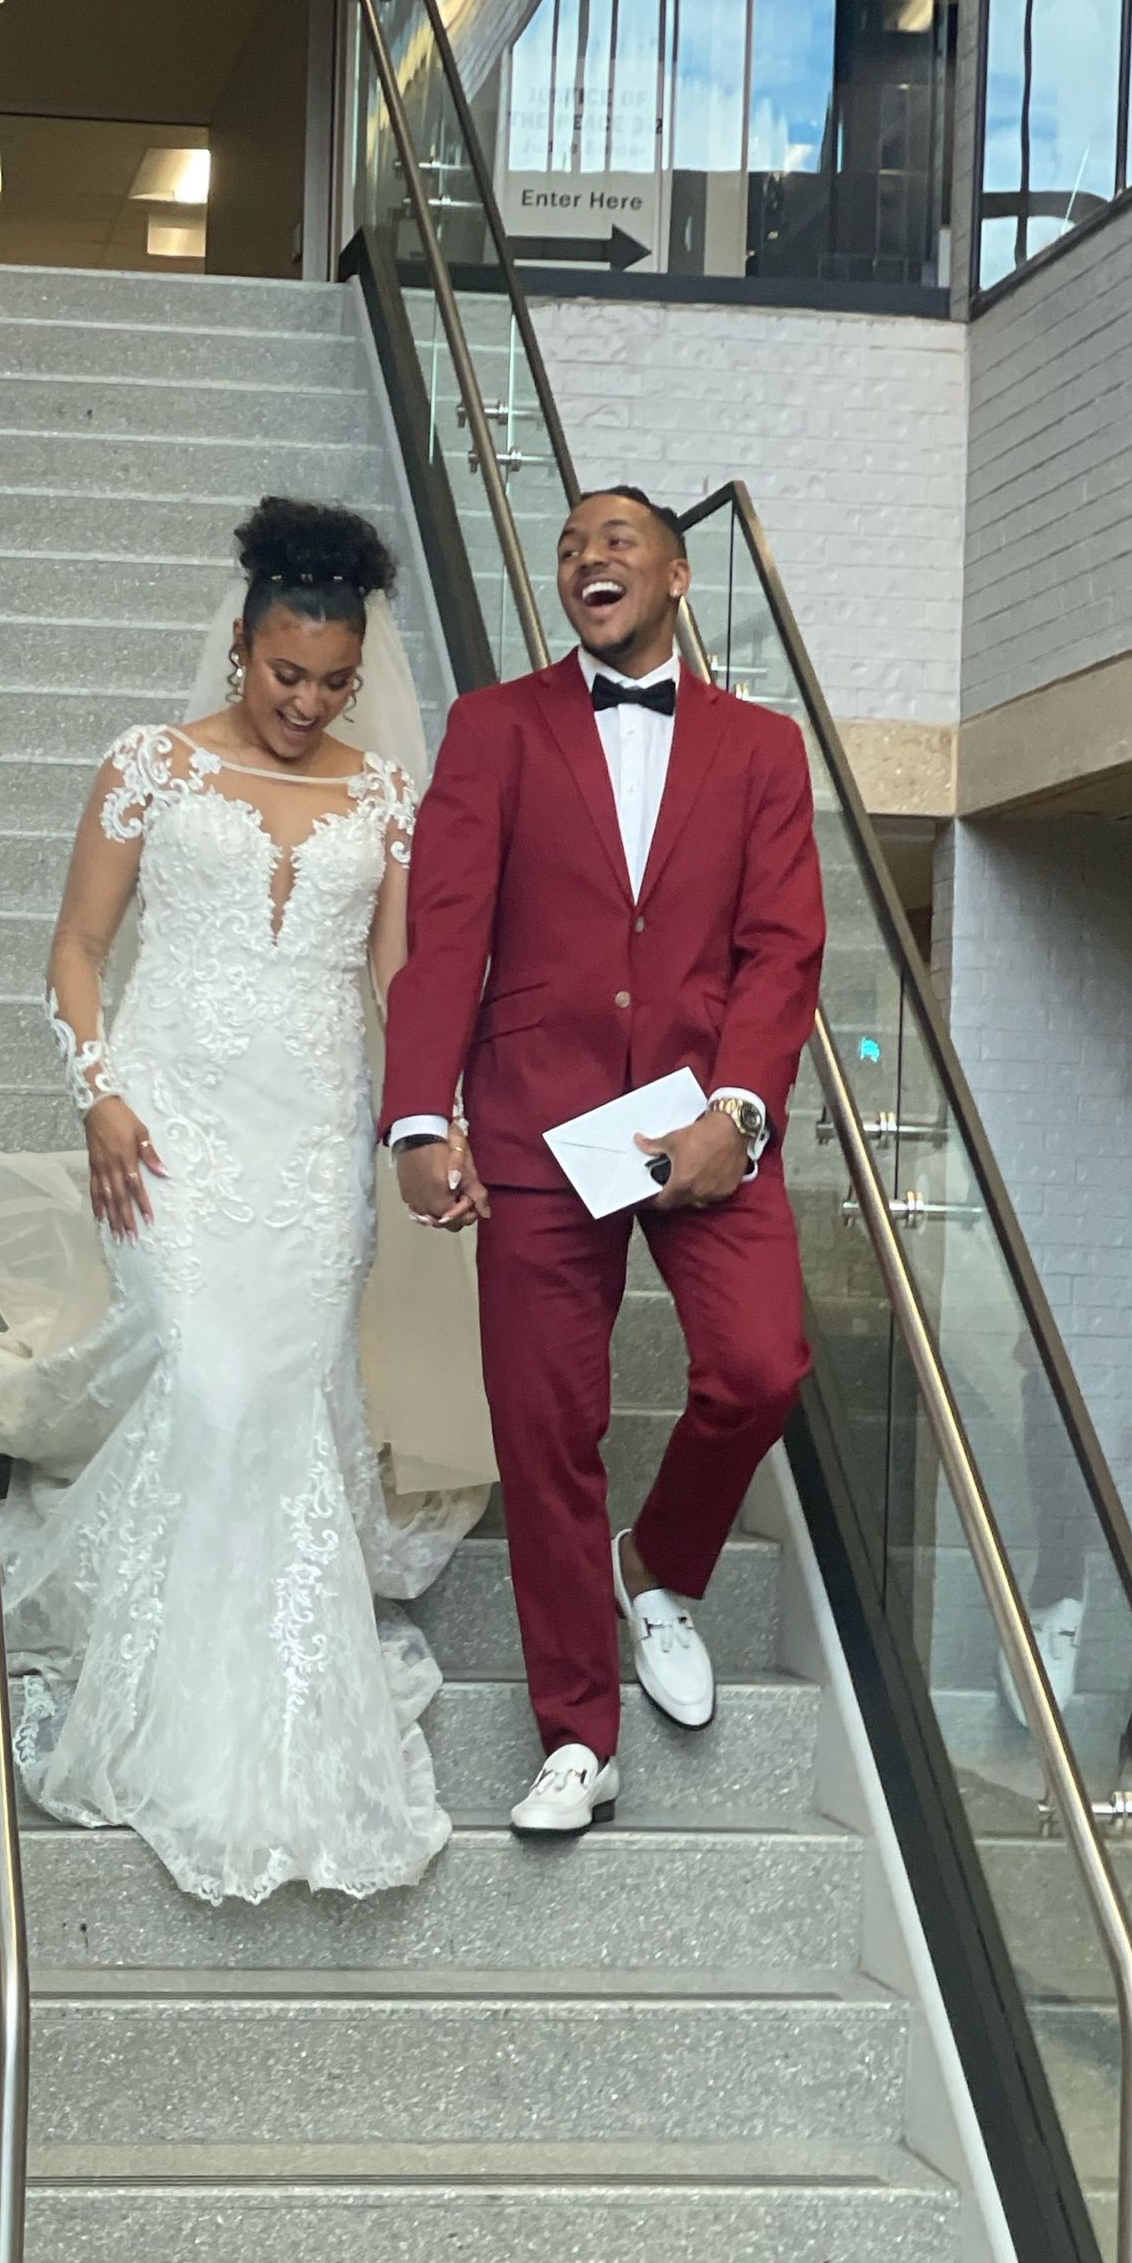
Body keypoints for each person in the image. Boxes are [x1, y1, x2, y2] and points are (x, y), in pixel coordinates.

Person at [0, 497, 481, 1906]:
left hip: (309, 1140)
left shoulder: (378, 795)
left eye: (332, 681)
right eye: (283, 672)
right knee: (218, 1379)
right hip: (170, 1126)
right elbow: (73, 949)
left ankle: (282, 1696)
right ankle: (191, 1711)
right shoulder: (148, 766)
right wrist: (101, 1090)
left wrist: (431, 1116)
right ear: (240, 643)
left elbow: (400, 979)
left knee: (276, 1399)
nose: (305, 703)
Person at [385, 486, 827, 1836]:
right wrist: (419, 1113)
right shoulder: (494, 727)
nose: (588, 556)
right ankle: (580, 1734)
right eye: (572, 543)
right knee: (545, 1428)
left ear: (681, 579)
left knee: (763, 1365)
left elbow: (782, 946)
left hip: (702, 1114)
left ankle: (667, 1562)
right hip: (533, 1118)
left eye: (618, 540)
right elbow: (446, 928)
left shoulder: (762, 747)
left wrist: (740, 1112)